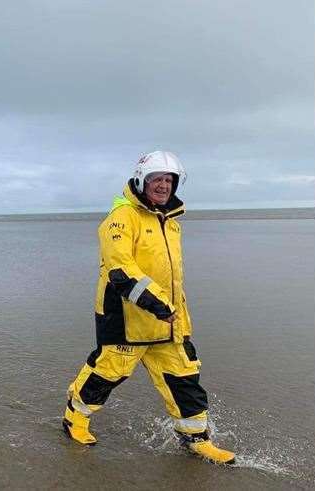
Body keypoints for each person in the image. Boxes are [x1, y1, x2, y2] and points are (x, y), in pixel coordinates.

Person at [61, 150, 235, 465]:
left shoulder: (171, 222)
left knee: (185, 378)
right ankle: (75, 418)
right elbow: (120, 270)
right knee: (107, 373)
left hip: (169, 321)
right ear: (143, 180)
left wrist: (174, 312)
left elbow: (170, 275)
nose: (164, 186)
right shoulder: (121, 217)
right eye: (158, 179)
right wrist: (156, 304)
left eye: (169, 180)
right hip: (126, 318)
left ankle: (196, 438)